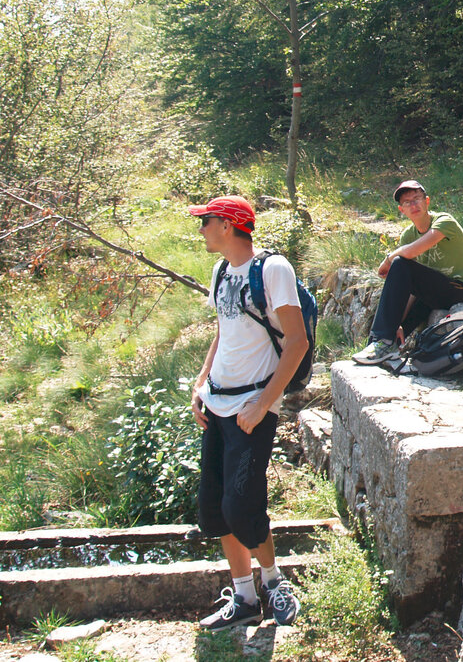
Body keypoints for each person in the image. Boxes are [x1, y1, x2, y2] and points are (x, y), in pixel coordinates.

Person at [188, 195, 307, 630]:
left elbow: (297, 342)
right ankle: (243, 597)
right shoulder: (221, 270)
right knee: (215, 509)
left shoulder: (273, 270)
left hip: (251, 406)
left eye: (206, 221)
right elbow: (224, 332)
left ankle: (274, 585)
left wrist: (262, 405)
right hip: (218, 402)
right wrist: (202, 385)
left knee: (243, 505)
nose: (201, 228)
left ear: (230, 225)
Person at [352, 180, 463, 365]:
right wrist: (397, 323)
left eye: (417, 198)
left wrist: (388, 259)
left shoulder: (444, 221)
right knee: (397, 317)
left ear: (426, 201)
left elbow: (408, 255)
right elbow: (411, 285)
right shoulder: (408, 235)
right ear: (401, 210)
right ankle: (385, 346)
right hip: (433, 291)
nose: (413, 204)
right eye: (407, 202)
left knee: (399, 263)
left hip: (458, 288)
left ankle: (382, 342)